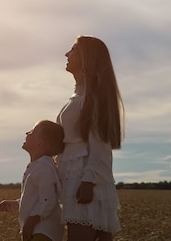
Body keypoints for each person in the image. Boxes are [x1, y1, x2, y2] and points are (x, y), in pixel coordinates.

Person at [56, 36, 124, 241]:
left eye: (73, 50)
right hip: (75, 177)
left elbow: (101, 144)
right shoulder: (78, 97)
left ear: (87, 58)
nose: (67, 55)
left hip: (83, 179)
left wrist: (88, 180)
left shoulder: (92, 98)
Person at [0, 120, 65, 241]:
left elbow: (48, 199)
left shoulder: (43, 167)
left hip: (42, 232)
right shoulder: (40, 166)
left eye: (32, 132)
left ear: (40, 143)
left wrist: (30, 224)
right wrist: (17, 203)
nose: (27, 133)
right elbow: (39, 197)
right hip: (41, 232)